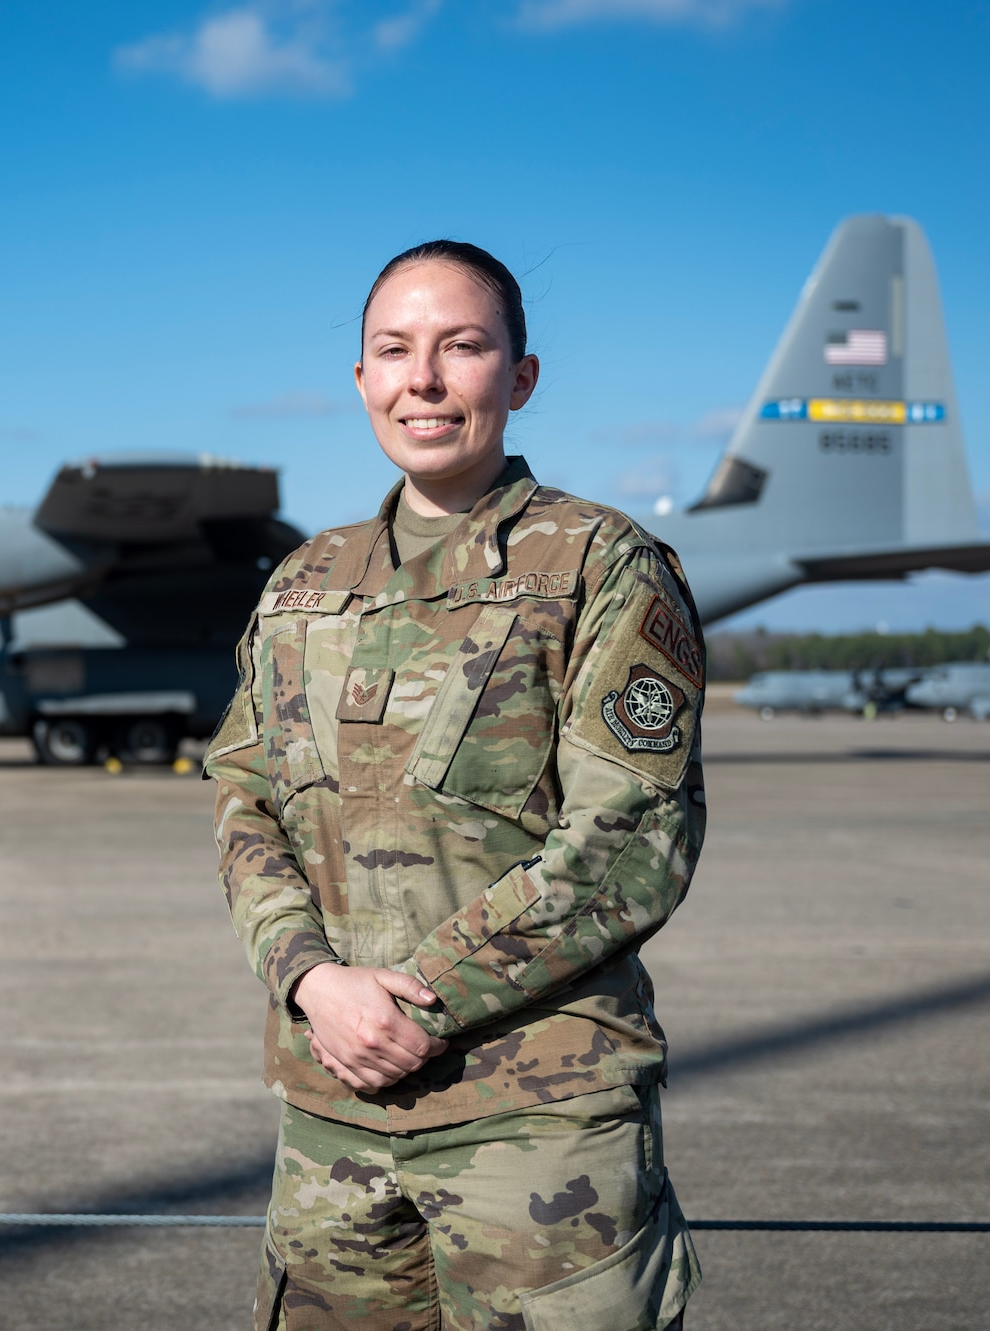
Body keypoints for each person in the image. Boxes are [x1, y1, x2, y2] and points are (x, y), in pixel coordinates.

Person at [206, 240, 708, 1331]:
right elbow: (244, 798)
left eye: (460, 347)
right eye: (391, 350)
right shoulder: (300, 582)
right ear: (359, 380)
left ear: (518, 377)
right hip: (331, 1113)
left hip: (536, 1125)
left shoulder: (601, 566)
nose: (420, 379)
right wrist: (310, 980)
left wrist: (411, 999)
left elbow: (630, 839)